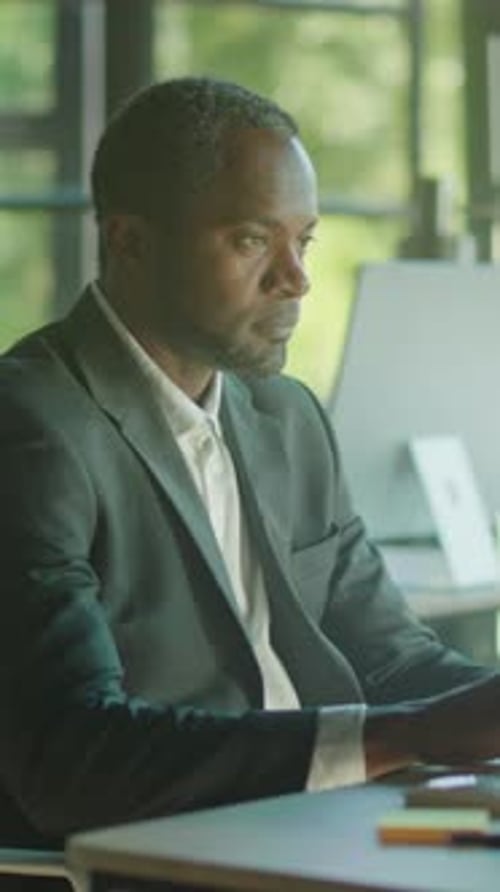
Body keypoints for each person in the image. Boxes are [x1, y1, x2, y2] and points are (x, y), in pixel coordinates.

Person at [1, 76, 500, 863]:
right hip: (161, 860)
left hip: (319, 833)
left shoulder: (286, 417)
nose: (296, 278)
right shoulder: (32, 426)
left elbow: (392, 661)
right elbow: (72, 759)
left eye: (304, 241)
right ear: (130, 241)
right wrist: (410, 735)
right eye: (251, 241)